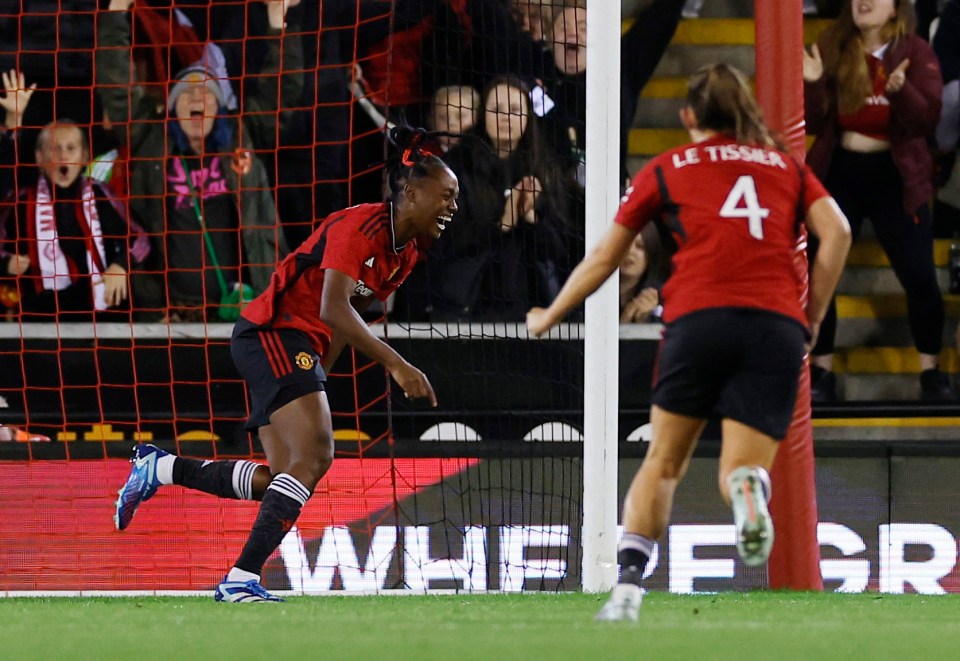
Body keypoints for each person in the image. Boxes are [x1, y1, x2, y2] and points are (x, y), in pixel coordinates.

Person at [526, 63, 852, 621]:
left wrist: (551, 313)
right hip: (775, 325)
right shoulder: (786, 167)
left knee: (665, 462)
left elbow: (607, 255)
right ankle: (748, 491)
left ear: (687, 117)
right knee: (740, 471)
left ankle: (627, 588)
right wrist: (812, 315)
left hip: (699, 319)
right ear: (744, 109)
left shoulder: (669, 166)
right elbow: (838, 232)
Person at [112, 127, 459, 603]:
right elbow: (333, 307)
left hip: (296, 345)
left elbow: (340, 326)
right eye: (446, 196)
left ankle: (162, 468)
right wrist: (397, 365)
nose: (452, 208)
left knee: (284, 476)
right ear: (413, 194)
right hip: (272, 331)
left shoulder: (406, 256)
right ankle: (240, 580)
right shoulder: (362, 227)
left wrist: (318, 377)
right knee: (317, 454)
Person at [95, 0, 300, 321]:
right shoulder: (151, 141)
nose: (195, 98)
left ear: (219, 110)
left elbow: (281, 90)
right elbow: (117, 85)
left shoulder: (241, 137)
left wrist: (278, 23)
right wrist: (117, 12)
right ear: (173, 110)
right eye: (185, 93)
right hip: (171, 315)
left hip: (246, 310)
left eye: (206, 93)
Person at [803, 0, 951, 402]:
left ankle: (932, 374)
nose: (862, 1)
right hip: (841, 170)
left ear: (897, 8)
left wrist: (900, 93)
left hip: (895, 173)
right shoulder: (832, 43)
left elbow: (927, 121)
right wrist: (815, 83)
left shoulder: (915, 51)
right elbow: (813, 123)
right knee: (819, 272)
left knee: (920, 276)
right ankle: (822, 372)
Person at [0, 70, 148, 320]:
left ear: (84, 157)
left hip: (100, 316)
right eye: (54, 148)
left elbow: (140, 239)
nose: (63, 156)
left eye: (71, 148)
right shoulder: (21, 199)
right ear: (39, 158)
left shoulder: (101, 194)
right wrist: (7, 263)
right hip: (40, 318)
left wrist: (121, 265)